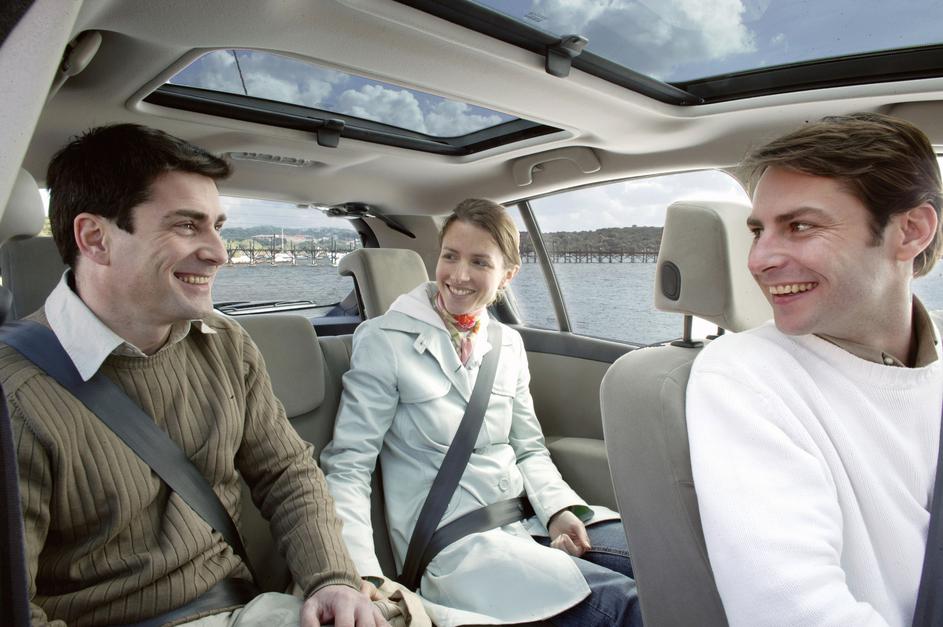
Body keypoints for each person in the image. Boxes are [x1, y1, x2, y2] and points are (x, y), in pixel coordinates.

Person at [5, 124, 387, 627]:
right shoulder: (16, 393)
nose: (219, 252)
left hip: (250, 608)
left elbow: (287, 474)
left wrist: (333, 580)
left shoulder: (225, 343)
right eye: (187, 225)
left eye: (218, 226)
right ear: (95, 239)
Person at [321, 198, 642, 627]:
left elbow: (529, 448)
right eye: (450, 256)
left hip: (529, 519)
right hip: (459, 545)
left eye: (479, 262)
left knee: (666, 561)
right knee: (628, 604)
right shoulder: (385, 340)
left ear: (508, 274)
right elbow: (349, 466)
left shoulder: (507, 344)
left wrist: (558, 509)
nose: (458, 275)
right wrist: (362, 571)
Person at [686, 113, 943, 626]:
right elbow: (789, 609)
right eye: (758, 231)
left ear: (911, 231)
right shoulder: (744, 376)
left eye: (800, 226)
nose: (758, 259)